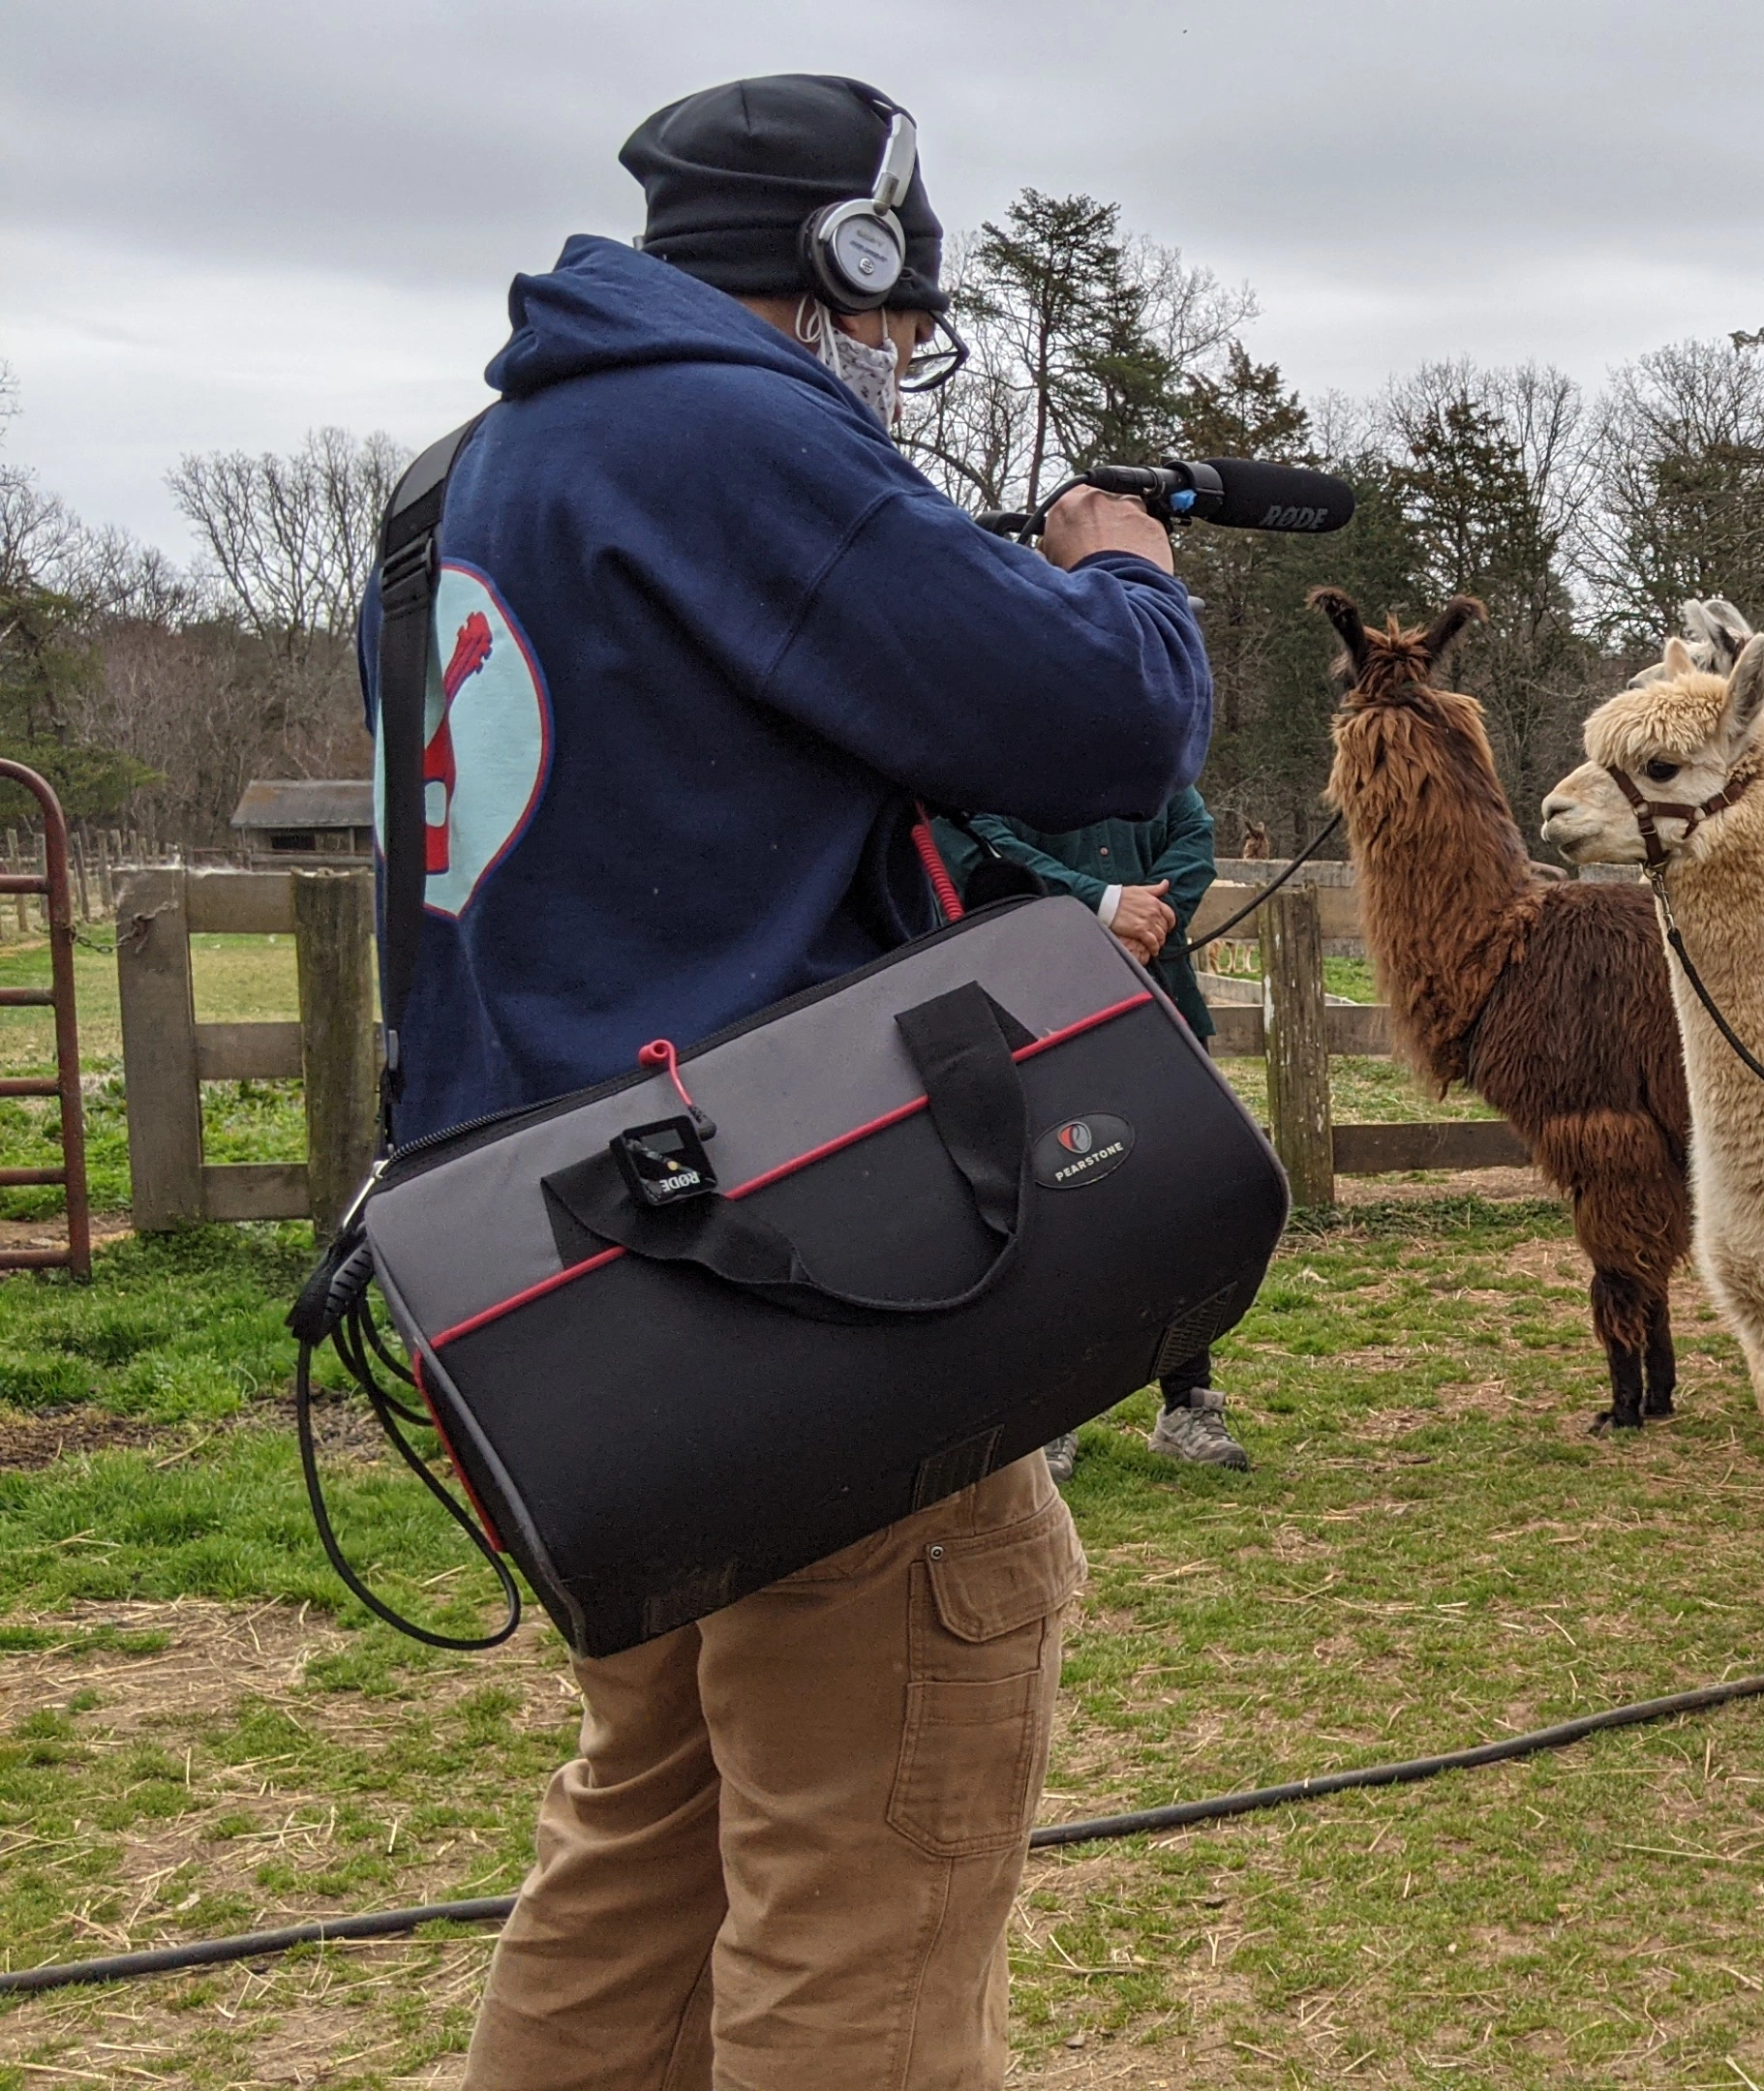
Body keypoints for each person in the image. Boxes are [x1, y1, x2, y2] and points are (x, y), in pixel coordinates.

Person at [368, 76, 1212, 2087]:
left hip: (581, 1293)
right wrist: (1126, 574)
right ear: (842, 266)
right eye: (901, 316)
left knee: (644, 1853)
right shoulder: (729, 432)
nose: (905, 363)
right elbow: (1097, 722)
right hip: (806, 1280)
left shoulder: (494, 463)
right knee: (874, 1882)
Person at [935, 788, 1249, 1474]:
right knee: (1053, 1222)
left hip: (1158, 1010)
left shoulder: (1151, 771)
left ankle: (1188, 1401)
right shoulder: (1004, 765)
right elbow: (981, 845)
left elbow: (1193, 836)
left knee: (1180, 1212)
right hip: (1044, 1020)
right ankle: (1056, 1409)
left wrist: (1149, 921)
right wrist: (1103, 908)